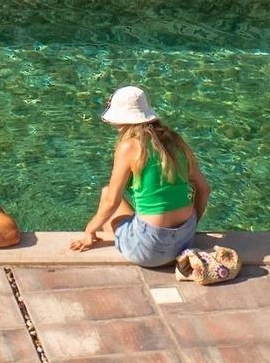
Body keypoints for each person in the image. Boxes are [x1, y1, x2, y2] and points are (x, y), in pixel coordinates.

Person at [66, 86, 209, 268]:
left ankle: (111, 246)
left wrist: (89, 230)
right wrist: (191, 225)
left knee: (107, 195)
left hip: (149, 249)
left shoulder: (130, 146)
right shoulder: (174, 141)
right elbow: (204, 189)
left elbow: (111, 201)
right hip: (185, 239)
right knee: (138, 212)